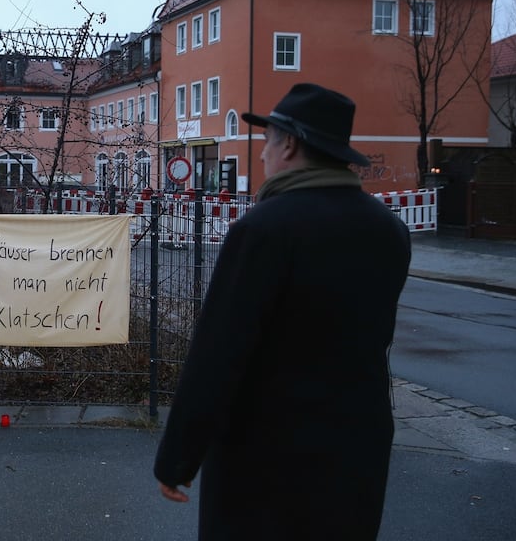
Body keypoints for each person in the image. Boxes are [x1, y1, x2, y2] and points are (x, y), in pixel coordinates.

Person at [154, 83, 411, 540]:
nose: (261, 156)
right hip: (358, 447)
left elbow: (218, 354)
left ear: (289, 144)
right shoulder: (389, 230)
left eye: (267, 141)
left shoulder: (263, 229)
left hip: (268, 455)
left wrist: (178, 458)